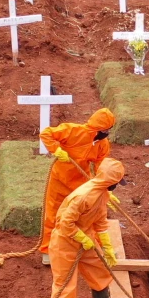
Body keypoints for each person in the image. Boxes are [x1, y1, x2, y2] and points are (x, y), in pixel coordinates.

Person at [48, 157, 127, 298]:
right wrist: (82, 238)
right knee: (64, 285)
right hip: (66, 243)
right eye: (117, 183)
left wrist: (107, 246)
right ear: (111, 181)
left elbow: (100, 221)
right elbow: (65, 224)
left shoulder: (102, 193)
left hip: (86, 240)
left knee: (100, 269)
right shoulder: (83, 196)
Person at [39, 108, 116, 265]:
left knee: (89, 213)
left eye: (109, 129)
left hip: (80, 183)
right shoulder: (72, 130)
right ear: (97, 127)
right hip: (59, 180)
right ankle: (47, 250)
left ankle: (97, 248)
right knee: (53, 214)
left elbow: (101, 165)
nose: (106, 132)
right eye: (104, 129)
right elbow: (46, 133)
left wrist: (105, 187)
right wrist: (57, 150)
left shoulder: (102, 144)